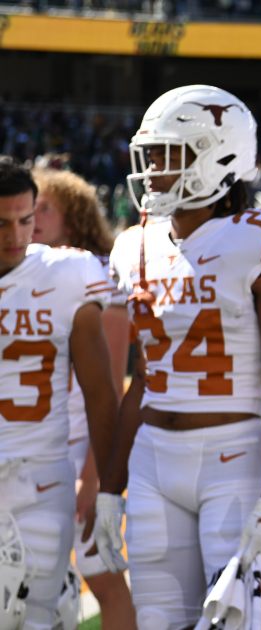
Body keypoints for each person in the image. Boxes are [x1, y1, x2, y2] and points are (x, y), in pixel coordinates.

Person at [93, 85, 261, 630]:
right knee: (159, 620)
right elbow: (141, 380)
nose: (152, 171)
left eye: (168, 156)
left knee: (237, 620)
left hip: (234, 456)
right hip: (152, 462)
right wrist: (109, 486)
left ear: (220, 156)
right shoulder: (135, 245)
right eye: (150, 156)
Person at [0, 157, 120, 630]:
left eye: (25, 220)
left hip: (40, 482)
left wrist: (107, 486)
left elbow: (100, 392)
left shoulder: (67, 274)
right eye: (2, 223)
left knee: (34, 618)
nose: (16, 235)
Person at [29, 168, 135, 629]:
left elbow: (110, 390)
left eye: (43, 208)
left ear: (72, 217)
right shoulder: (21, 274)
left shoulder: (96, 279)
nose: (31, 218)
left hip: (77, 449)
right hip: (31, 450)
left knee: (101, 573)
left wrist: (95, 478)